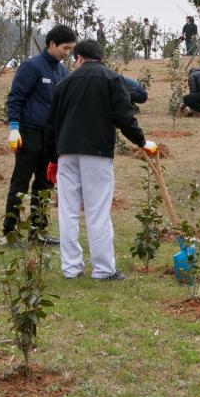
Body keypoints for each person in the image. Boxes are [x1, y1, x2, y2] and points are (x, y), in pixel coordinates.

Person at [51, 39, 153, 281]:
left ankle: (71, 268)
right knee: (97, 211)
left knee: (68, 211)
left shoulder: (64, 82)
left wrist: (52, 156)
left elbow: (51, 122)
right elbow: (124, 117)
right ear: (101, 57)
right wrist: (141, 141)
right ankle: (104, 269)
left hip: (66, 152)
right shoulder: (111, 79)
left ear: (78, 57)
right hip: (96, 153)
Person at [4, 25, 76, 240]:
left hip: (51, 137)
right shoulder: (31, 67)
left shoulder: (63, 72)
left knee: (46, 183)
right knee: (21, 181)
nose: (68, 52)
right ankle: (10, 230)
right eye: (65, 48)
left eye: (71, 49)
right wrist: (14, 128)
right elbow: (16, 98)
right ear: (51, 44)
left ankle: (38, 231)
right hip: (29, 132)